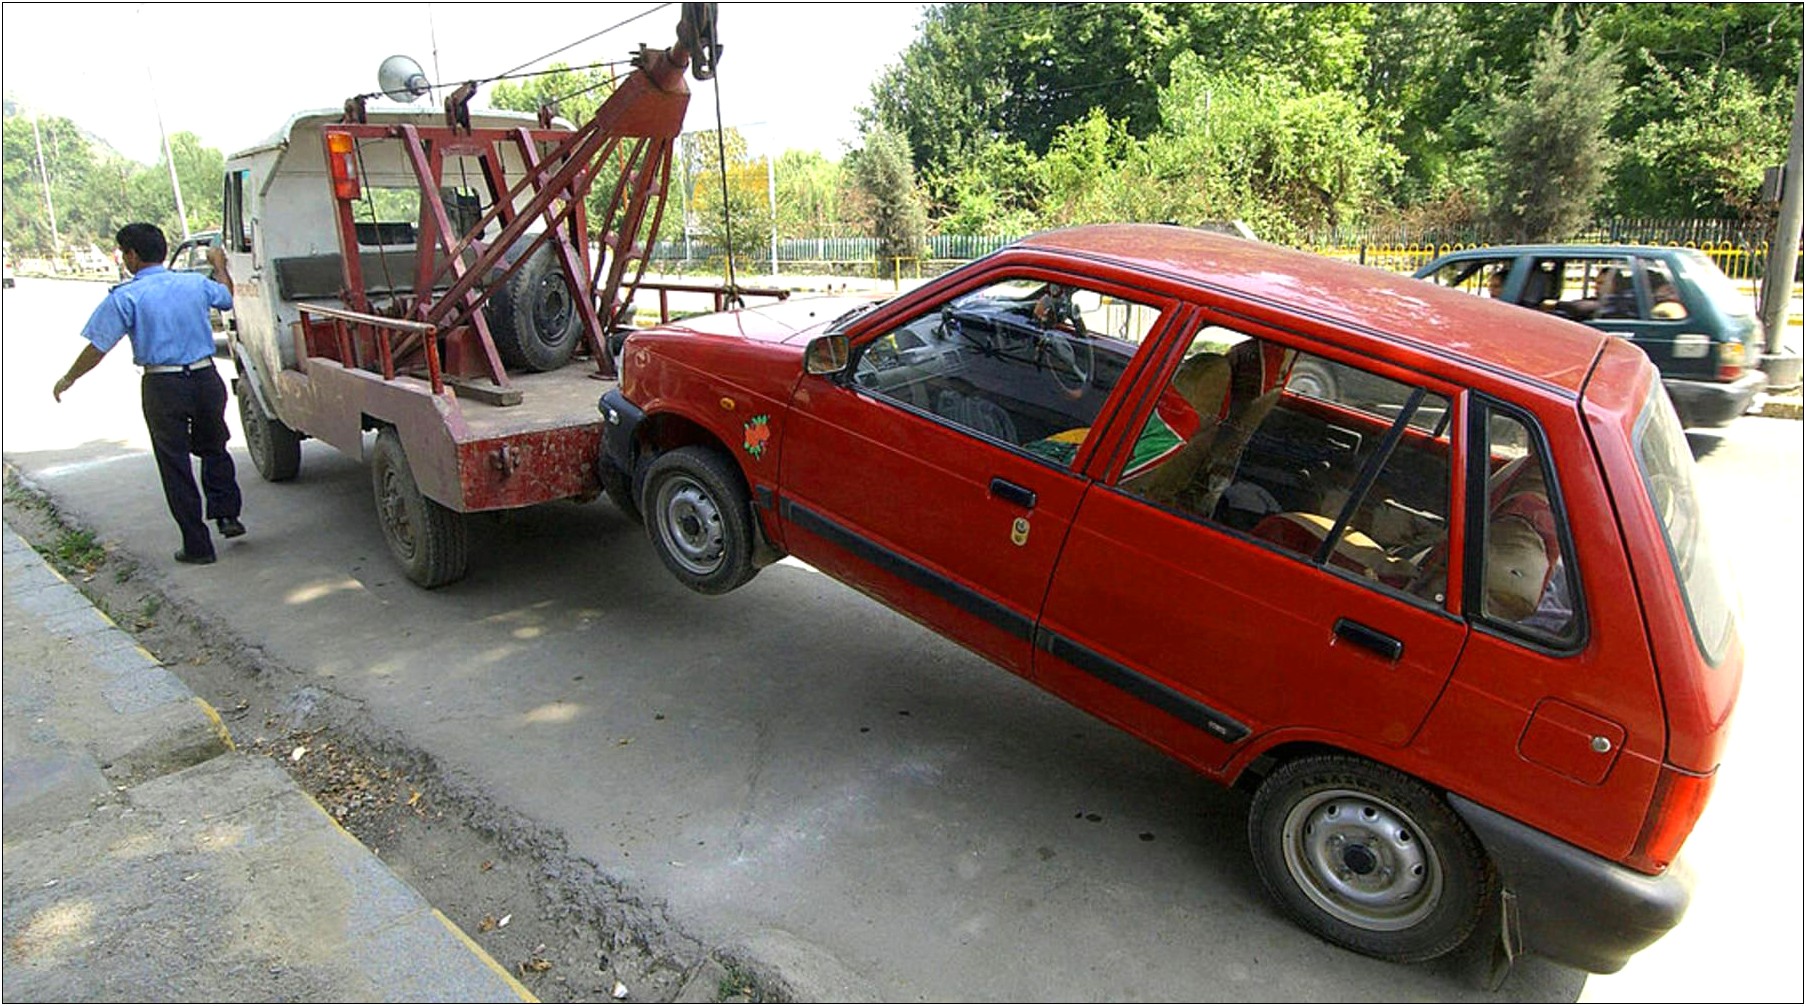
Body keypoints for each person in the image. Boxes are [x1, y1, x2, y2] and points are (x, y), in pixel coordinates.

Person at [53, 222, 245, 565]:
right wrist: (219, 265)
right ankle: (227, 514)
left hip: (163, 384)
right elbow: (227, 297)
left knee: (174, 463)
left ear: (132, 255)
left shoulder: (126, 296)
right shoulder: (194, 283)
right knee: (215, 446)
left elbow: (98, 347)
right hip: (204, 376)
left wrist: (69, 378)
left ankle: (198, 546)